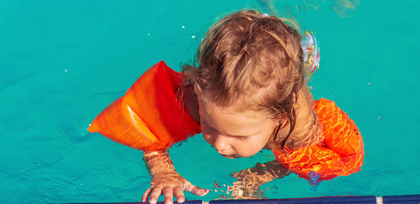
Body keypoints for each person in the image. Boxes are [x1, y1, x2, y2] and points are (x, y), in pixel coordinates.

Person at [88, 10, 364, 203]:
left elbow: (295, 160)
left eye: (239, 136)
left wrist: (258, 175)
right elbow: (150, 133)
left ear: (279, 119)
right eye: (209, 125)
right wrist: (163, 171)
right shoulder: (199, 95)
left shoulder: (296, 125)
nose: (219, 145)